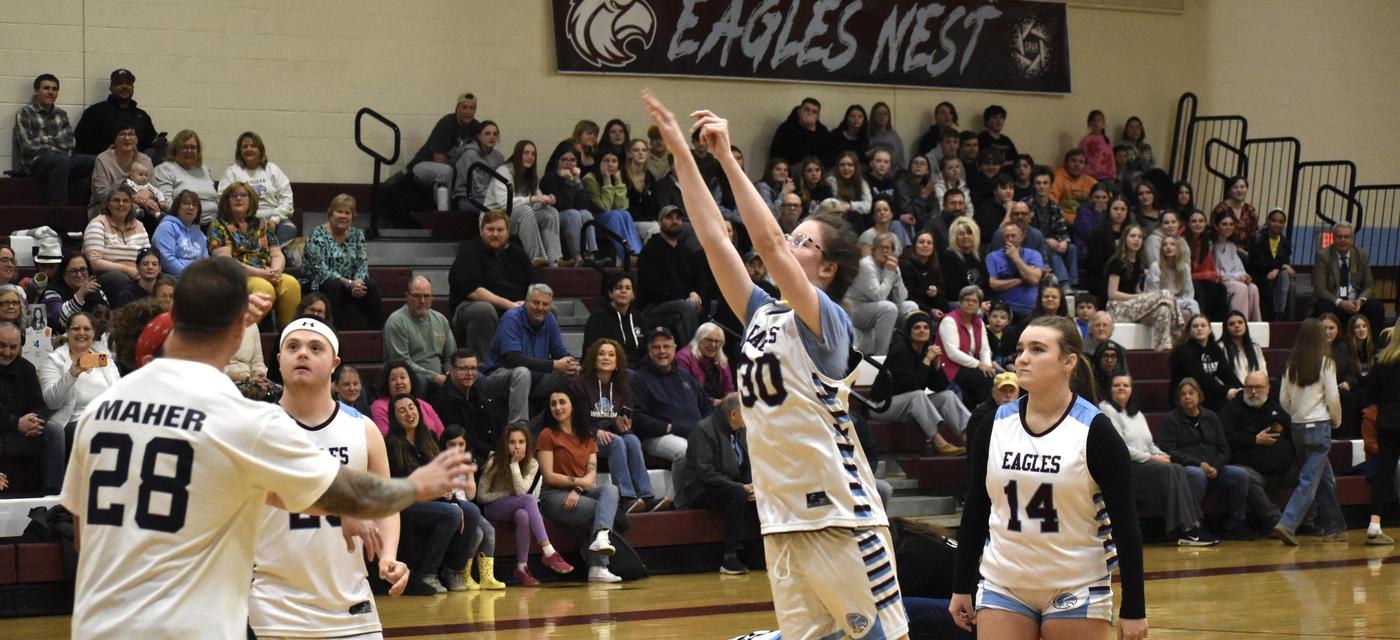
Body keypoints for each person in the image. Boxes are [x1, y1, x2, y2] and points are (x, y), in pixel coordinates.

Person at [58, 257, 471, 638]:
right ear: (242, 333)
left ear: (174, 316)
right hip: (188, 626)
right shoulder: (241, 420)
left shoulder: (100, 410)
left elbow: (83, 537)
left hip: (99, 626)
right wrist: (416, 485)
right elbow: (343, 493)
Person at [647, 91, 908, 638]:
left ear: (828, 268)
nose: (791, 242)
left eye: (804, 242)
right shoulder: (763, 311)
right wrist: (681, 155)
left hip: (840, 515)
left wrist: (727, 158)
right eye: (795, 236)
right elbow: (717, 239)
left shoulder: (828, 320)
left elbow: (768, 242)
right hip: (781, 517)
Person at [950, 315, 1146, 639]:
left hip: (1077, 584)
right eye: (1021, 348)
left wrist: (1134, 606)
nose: (1023, 358)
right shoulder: (994, 424)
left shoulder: (1096, 432)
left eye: (1038, 349)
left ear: (1068, 362)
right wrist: (962, 585)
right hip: (1003, 583)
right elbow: (976, 508)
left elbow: (1126, 525)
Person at [248, 318, 409, 637]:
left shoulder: (363, 428)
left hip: (351, 606)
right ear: (278, 361)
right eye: (292, 347)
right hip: (274, 608)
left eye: (314, 347)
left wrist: (389, 556)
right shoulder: (255, 429)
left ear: (334, 363)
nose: (302, 354)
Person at [1099, 374, 1219, 546]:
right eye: (1116, 385)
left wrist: (1162, 455)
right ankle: (1185, 530)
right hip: (1124, 467)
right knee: (1169, 471)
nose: (1121, 388)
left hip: (1144, 463)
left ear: (1132, 390)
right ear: (1109, 389)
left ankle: (1192, 526)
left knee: (1176, 467)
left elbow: (1149, 444)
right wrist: (1151, 457)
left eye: (1126, 385)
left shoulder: (1136, 412)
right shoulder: (1106, 409)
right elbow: (1118, 447)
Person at [383, 393, 485, 593]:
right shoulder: (391, 445)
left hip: (433, 501)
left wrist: (452, 498)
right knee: (452, 513)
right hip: (405, 505)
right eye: (401, 410)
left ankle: (452, 571)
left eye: (411, 407)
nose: (409, 413)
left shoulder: (428, 438)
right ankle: (426, 573)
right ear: (394, 417)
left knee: (471, 511)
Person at [536, 387, 623, 583]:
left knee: (610, 489)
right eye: (553, 403)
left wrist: (577, 489)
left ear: (573, 405)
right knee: (602, 508)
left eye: (562, 402)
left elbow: (591, 470)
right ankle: (598, 566)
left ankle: (601, 537)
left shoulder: (586, 434)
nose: (558, 407)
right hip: (553, 496)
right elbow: (548, 476)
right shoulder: (547, 435)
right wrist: (579, 483)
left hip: (579, 492)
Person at [1273, 319, 1348, 545]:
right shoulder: (1326, 363)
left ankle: (1335, 527)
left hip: (1297, 428)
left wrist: (1298, 414)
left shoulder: (1290, 365)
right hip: (1320, 426)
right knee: (1309, 479)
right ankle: (1287, 523)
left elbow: (1283, 400)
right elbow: (1333, 398)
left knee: (1325, 479)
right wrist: (1336, 421)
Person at [573, 337, 667, 513]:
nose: (606, 358)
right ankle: (626, 498)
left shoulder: (622, 386)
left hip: (611, 437)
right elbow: (575, 420)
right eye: (601, 354)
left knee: (631, 439)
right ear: (594, 359)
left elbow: (624, 418)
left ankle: (647, 497)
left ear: (617, 363)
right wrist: (595, 432)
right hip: (586, 437)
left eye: (611, 355)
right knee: (617, 442)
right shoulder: (580, 384)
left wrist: (624, 427)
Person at [1156, 377, 1256, 540]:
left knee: (1240, 475)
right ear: (1178, 398)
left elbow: (1224, 448)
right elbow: (1168, 450)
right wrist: (1199, 464)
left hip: (1214, 467)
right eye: (1183, 394)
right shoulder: (1171, 420)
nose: (1187, 397)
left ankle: (1235, 523)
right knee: (1197, 474)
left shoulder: (1211, 417)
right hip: (1186, 468)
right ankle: (1192, 525)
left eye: (1191, 393)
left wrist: (1216, 466)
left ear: (1199, 396)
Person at [476, 423, 576, 585]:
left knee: (523, 515)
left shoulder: (532, 463)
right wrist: (507, 492)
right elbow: (481, 496)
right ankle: (548, 550)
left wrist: (515, 465)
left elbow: (521, 491)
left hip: (516, 507)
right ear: (505, 444)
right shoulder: (494, 460)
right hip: (494, 508)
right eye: (512, 442)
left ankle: (521, 568)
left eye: (521, 442)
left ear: (527, 444)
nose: (517, 446)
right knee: (528, 500)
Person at [676, 392, 754, 575]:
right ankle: (730, 556)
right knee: (737, 494)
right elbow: (705, 472)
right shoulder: (703, 429)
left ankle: (769, 549)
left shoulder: (741, 430)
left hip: (732, 485)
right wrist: (739, 487)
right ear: (734, 414)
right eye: (747, 412)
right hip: (702, 489)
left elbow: (750, 463)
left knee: (762, 492)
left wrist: (752, 485)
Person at [874, 310, 971, 455]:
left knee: (948, 395)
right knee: (918, 395)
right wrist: (927, 360)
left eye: (925, 327)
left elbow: (938, 386)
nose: (922, 331)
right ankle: (940, 443)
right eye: (917, 327)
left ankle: (970, 439)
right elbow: (913, 385)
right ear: (909, 331)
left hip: (911, 405)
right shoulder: (899, 351)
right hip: (882, 406)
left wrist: (937, 364)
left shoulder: (926, 350)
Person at [481, 283, 575, 424]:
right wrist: (555, 364)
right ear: (525, 303)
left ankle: (552, 425)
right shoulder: (512, 318)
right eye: (536, 303)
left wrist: (572, 364)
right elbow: (513, 359)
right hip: (499, 377)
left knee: (571, 373)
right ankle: (519, 429)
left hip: (535, 381)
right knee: (522, 373)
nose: (540, 308)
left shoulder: (549, 319)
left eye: (545, 304)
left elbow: (560, 352)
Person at [208, 182, 300, 325]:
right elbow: (226, 262)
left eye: (243, 195)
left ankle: (287, 334)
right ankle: (244, 333)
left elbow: (276, 254)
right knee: (264, 288)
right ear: (226, 201)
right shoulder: (218, 225)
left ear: (251, 200)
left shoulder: (262, 224)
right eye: (233, 196)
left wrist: (276, 272)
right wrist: (262, 274)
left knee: (291, 283)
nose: (238, 198)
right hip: (237, 276)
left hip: (267, 273)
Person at [448, 210, 535, 359]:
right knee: (484, 309)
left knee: (546, 308)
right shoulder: (469, 251)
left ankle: (537, 363)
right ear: (482, 231)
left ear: (508, 232)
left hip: (515, 306)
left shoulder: (517, 253)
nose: (495, 234)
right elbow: (474, 291)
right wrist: (510, 305)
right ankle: (482, 365)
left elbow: (534, 284)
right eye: (490, 229)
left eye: (500, 230)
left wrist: (528, 303)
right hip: (471, 307)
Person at [1218, 371, 1291, 533]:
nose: (1253, 392)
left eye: (1258, 387)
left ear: (1268, 388)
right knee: (1244, 476)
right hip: (1250, 467)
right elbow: (1225, 439)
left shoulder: (1277, 408)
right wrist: (1254, 440)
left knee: (1312, 469)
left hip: (1281, 468)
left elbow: (1290, 434)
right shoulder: (1231, 409)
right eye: (1249, 387)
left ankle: (1308, 521)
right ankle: (1277, 522)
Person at [0, 322, 65, 494]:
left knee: (54, 431)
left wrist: (34, 421)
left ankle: (52, 498)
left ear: (20, 346)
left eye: (13, 347)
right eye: (2, 346)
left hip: (18, 436)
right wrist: (17, 422)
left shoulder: (26, 368)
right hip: (7, 431)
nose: (7, 352)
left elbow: (40, 406)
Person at [304, 194, 384, 329]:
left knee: (370, 286)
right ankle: (332, 331)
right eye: (339, 211)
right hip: (318, 282)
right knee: (333, 285)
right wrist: (348, 283)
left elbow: (362, 263)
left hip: (349, 285)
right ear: (331, 213)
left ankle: (376, 332)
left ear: (353, 217)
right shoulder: (317, 234)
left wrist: (358, 282)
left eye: (348, 213)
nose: (343, 216)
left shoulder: (357, 235)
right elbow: (321, 269)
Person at [15, 73, 94, 205]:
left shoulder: (61, 114)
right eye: (46, 88)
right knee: (60, 160)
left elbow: (70, 142)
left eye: (54, 89)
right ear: (36, 92)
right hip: (35, 164)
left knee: (95, 160)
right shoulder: (25, 113)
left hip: (63, 160)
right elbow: (27, 147)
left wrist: (43, 139)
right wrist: (56, 143)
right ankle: (56, 212)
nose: (51, 92)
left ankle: (95, 207)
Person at [487, 140, 564, 266]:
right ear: (517, 154)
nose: (530, 157)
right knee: (525, 211)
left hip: (520, 217)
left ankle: (554, 260)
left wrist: (547, 200)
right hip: (497, 217)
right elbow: (504, 204)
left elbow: (537, 200)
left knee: (551, 212)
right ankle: (536, 258)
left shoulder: (531, 175)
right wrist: (532, 199)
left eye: (533, 154)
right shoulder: (503, 171)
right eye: (526, 153)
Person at [1104, 224, 1180, 351]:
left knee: (1163, 310)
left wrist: (1141, 295)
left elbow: (1136, 289)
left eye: (1139, 237)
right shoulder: (1117, 262)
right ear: (1125, 239)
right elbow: (1112, 294)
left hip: (1133, 306)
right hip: (1117, 308)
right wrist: (1139, 297)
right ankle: (1178, 329)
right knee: (1165, 294)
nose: (1136, 240)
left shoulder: (1139, 261)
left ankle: (1163, 350)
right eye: (1132, 236)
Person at [636, 205, 703, 344]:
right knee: (686, 308)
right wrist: (686, 297)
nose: (675, 221)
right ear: (660, 222)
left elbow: (699, 281)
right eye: (669, 218)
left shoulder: (687, 252)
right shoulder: (650, 250)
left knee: (711, 307)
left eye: (678, 218)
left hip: (683, 303)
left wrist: (696, 294)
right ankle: (691, 357)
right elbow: (652, 289)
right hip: (653, 308)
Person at [218, 131, 296, 245]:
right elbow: (223, 198)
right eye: (245, 147)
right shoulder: (232, 172)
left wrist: (275, 220)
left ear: (260, 150)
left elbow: (287, 199)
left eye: (253, 146)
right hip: (243, 219)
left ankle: (272, 257)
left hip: (273, 218)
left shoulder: (272, 169)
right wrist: (240, 220)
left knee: (289, 229)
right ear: (240, 151)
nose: (249, 149)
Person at [429, 349, 503, 469]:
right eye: (463, 369)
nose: (469, 373)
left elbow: (497, 423)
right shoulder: (441, 400)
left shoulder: (481, 390)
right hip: (468, 459)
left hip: (493, 454)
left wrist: (501, 450)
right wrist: (489, 452)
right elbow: (459, 436)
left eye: (473, 368)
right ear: (451, 370)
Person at [846, 232, 916, 356]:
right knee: (888, 308)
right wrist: (890, 274)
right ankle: (881, 356)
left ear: (893, 251)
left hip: (875, 307)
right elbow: (879, 296)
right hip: (856, 309)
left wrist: (896, 274)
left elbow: (902, 297)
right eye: (881, 248)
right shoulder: (866, 265)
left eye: (888, 248)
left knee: (911, 307)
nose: (884, 251)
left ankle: (905, 351)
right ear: (873, 250)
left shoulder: (891, 265)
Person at [408, 93, 480, 211]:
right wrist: (461, 169)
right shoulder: (447, 123)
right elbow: (439, 158)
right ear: (457, 108)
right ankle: (444, 214)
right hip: (422, 165)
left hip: (451, 168)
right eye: (464, 107)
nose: (468, 111)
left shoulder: (476, 127)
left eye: (471, 108)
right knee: (446, 171)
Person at [1363, 319, 1400, 545]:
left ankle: (1374, 524)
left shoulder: (1383, 361)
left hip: (1388, 421)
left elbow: (1369, 396)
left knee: (1384, 472)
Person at [1311, 221, 1385, 332]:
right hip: (1334, 302)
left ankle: (1373, 346)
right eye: (1339, 236)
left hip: (1356, 302)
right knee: (1323, 307)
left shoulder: (1361, 255)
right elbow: (1320, 289)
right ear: (1333, 238)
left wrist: (1360, 300)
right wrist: (1340, 302)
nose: (1343, 240)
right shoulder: (1323, 256)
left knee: (1375, 307)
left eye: (1346, 237)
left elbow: (1369, 285)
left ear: (1352, 239)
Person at [383, 276, 455, 388]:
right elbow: (401, 362)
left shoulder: (441, 319)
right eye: (417, 296)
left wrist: (449, 375)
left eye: (426, 296)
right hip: (410, 380)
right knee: (420, 380)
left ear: (432, 297)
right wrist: (435, 377)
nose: (422, 301)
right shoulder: (396, 321)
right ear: (407, 297)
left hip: (440, 378)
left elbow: (451, 356)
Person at [84, 185, 152, 304]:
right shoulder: (98, 224)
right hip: (107, 276)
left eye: (125, 201)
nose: (121, 204)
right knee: (118, 279)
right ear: (108, 204)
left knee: (167, 280)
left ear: (131, 204)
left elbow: (148, 256)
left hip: (137, 274)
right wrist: (126, 269)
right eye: (116, 200)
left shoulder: (139, 225)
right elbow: (95, 263)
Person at [73, 68, 160, 157]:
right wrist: (108, 148)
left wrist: (158, 141)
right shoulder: (96, 111)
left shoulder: (141, 116)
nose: (124, 86)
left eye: (128, 84)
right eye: (119, 83)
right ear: (111, 88)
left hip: (136, 163)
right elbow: (81, 139)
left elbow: (150, 140)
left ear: (133, 87)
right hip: (104, 160)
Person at [938, 286, 996, 411]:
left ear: (979, 305)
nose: (970, 303)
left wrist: (987, 366)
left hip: (970, 366)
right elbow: (952, 353)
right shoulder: (949, 320)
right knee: (983, 378)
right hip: (949, 367)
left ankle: (984, 413)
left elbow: (985, 349)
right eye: (966, 299)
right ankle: (983, 413)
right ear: (960, 302)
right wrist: (979, 364)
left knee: (993, 375)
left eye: (974, 301)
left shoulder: (979, 322)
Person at [1170, 314, 1243, 412]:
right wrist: (1226, 391)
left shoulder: (1215, 349)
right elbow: (1201, 377)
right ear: (1190, 331)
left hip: (1207, 392)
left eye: (1203, 326)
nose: (1199, 329)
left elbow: (1226, 373)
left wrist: (1242, 389)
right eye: (1195, 326)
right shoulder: (1184, 351)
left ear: (1209, 329)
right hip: (1187, 394)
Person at [585, 150, 644, 264]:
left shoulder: (619, 178)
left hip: (613, 220)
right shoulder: (590, 179)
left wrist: (618, 182)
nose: (611, 164)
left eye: (614, 161)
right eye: (606, 161)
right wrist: (607, 181)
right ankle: (626, 256)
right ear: (599, 163)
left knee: (625, 214)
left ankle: (637, 253)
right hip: (594, 222)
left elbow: (622, 207)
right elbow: (604, 207)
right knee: (614, 215)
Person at [541, 146, 599, 262]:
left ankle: (590, 256)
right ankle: (577, 257)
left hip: (571, 215)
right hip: (552, 216)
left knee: (586, 214)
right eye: (564, 160)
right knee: (572, 214)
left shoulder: (576, 179)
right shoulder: (549, 178)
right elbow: (563, 205)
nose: (568, 163)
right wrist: (569, 182)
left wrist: (577, 182)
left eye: (572, 160)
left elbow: (584, 205)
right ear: (557, 162)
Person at [88, 123, 156, 219]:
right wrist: (135, 198)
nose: (127, 138)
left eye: (131, 134)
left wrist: (148, 194)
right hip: (106, 206)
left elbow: (155, 188)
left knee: (156, 213)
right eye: (122, 134)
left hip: (143, 205)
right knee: (136, 212)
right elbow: (101, 193)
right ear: (115, 139)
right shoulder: (103, 159)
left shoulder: (145, 160)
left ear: (137, 139)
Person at [153, 129, 219, 224]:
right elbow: (166, 203)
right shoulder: (165, 169)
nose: (189, 151)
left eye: (193, 148)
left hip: (213, 224)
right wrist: (191, 218)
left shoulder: (204, 169)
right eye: (184, 147)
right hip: (183, 224)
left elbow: (215, 199)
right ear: (176, 150)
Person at [370, 361, 447, 439]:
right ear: (386, 384)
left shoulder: (424, 405)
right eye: (393, 379)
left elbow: (443, 435)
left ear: (411, 380)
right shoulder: (379, 406)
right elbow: (385, 439)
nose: (399, 382)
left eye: (403, 377)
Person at [583, 272, 645, 365]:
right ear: (610, 293)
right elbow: (594, 351)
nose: (623, 291)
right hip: (609, 369)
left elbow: (646, 350)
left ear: (633, 295)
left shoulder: (638, 318)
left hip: (637, 370)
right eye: (619, 287)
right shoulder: (598, 317)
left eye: (628, 288)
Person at [986, 221, 1045, 318]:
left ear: (1022, 237)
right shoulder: (993, 257)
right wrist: (1021, 279)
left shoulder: (1033, 255)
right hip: (1004, 311)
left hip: (1031, 311)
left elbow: (1034, 280)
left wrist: (1016, 258)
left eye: (1013, 236)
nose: (1010, 239)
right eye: (1006, 236)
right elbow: (992, 284)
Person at [1248, 208, 1296, 321]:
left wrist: (1278, 269)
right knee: (1283, 275)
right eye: (1274, 220)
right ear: (1268, 221)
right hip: (1260, 275)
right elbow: (1259, 261)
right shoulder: (1257, 239)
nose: (1277, 224)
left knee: (1285, 277)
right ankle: (1278, 315)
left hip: (1276, 277)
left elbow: (1285, 261)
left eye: (1280, 222)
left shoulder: (1285, 243)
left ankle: (1279, 314)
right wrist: (1281, 266)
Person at [1212, 211, 1261, 320]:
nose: (1228, 227)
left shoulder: (1232, 246)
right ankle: (1238, 322)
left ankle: (1255, 325)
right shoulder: (1211, 245)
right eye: (1224, 224)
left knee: (1253, 288)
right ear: (1216, 226)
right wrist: (1237, 277)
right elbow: (1215, 272)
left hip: (1234, 280)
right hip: (1221, 281)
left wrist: (1245, 276)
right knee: (1241, 288)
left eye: (1231, 224)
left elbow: (1239, 268)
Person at [1081, 195, 1131, 302]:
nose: (1119, 212)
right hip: (1102, 280)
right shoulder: (1099, 233)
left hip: (1126, 279)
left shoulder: (1132, 233)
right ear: (1109, 210)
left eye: (1123, 209)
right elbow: (1094, 264)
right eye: (1115, 209)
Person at [43, 254, 110, 334]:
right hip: (61, 340)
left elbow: (107, 319)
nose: (79, 275)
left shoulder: (97, 292)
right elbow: (60, 321)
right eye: (73, 271)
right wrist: (80, 294)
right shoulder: (51, 292)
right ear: (64, 274)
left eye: (83, 269)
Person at [451, 121, 504, 216]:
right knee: (496, 210)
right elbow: (475, 188)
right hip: (467, 197)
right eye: (487, 134)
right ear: (479, 136)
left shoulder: (499, 157)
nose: (492, 137)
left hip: (489, 198)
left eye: (495, 134)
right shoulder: (469, 155)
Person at [676, 322, 734, 405]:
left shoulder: (722, 360)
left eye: (717, 341)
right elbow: (686, 393)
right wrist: (715, 402)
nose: (713, 345)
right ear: (698, 340)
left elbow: (729, 389)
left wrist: (731, 402)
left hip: (717, 407)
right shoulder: (683, 358)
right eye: (708, 340)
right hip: (692, 407)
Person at [152, 190, 208, 276]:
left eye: (195, 205)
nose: (191, 207)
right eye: (186, 203)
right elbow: (167, 260)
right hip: (173, 278)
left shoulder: (199, 234)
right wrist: (189, 277)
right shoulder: (166, 227)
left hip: (197, 279)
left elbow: (206, 261)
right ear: (177, 207)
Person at [940, 217, 990, 306]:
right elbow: (952, 292)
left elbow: (986, 286)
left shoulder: (978, 257)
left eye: (969, 233)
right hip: (959, 303)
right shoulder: (948, 256)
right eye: (961, 234)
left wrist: (989, 303)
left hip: (979, 302)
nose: (966, 236)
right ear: (954, 237)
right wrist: (977, 304)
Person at [226, 321, 279, 402]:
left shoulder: (252, 326)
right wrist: (247, 379)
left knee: (278, 392)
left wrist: (259, 376)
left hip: (250, 381)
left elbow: (258, 362)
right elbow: (214, 367)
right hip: (227, 381)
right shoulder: (217, 325)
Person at [900, 231, 948, 316]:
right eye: (921, 242)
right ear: (914, 246)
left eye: (929, 243)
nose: (925, 245)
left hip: (930, 305)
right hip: (913, 307)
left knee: (944, 303)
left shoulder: (934, 264)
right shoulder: (905, 265)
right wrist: (930, 311)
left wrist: (936, 290)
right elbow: (909, 297)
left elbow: (942, 287)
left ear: (933, 247)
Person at [768, 98, 827, 165]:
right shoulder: (787, 128)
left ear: (818, 116)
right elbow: (795, 156)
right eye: (806, 110)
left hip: (815, 168)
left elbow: (825, 154)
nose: (810, 114)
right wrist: (810, 130)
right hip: (790, 167)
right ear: (799, 111)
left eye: (814, 112)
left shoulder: (822, 130)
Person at [827, 151, 874, 231]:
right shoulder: (831, 181)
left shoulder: (862, 183)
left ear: (856, 167)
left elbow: (868, 206)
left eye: (850, 165)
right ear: (838, 167)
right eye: (842, 165)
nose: (846, 168)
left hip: (857, 218)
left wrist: (850, 206)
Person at [1220, 311, 1267, 384]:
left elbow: (1262, 372)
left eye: (1240, 322)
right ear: (1226, 328)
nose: (1237, 326)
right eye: (1231, 324)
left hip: (1253, 390)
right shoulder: (1220, 348)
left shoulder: (1255, 348)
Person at [1048, 149, 1098, 218]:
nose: (1077, 164)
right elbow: (1051, 202)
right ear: (1066, 163)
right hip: (1063, 220)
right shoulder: (1057, 178)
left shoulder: (1090, 181)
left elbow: (1104, 196)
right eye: (1073, 161)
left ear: (1085, 166)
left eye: (1081, 162)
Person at [896, 155, 939, 233]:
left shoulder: (928, 186)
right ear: (910, 168)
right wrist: (923, 197)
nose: (918, 165)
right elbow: (908, 212)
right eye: (915, 163)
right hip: (908, 224)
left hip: (925, 224)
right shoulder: (902, 184)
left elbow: (935, 209)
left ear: (927, 171)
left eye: (923, 163)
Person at [1211, 177, 1258, 244]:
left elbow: (1255, 233)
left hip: (1247, 252)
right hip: (1223, 249)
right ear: (1229, 191)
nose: (1239, 190)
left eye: (1242, 187)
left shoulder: (1250, 210)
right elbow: (1214, 232)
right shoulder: (1220, 209)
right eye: (1235, 187)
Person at [822, 105, 869, 169]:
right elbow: (827, 157)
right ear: (847, 119)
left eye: (860, 117)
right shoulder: (836, 135)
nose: (856, 119)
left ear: (864, 120)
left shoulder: (864, 139)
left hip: (855, 173)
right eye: (852, 116)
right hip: (835, 170)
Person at [1078, 110, 1117, 182]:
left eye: (1099, 120)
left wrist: (1113, 175)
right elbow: (1081, 159)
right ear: (1089, 123)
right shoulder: (1085, 141)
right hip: (1090, 176)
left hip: (1106, 177)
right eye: (1093, 120)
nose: (1096, 123)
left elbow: (1111, 159)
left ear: (1103, 123)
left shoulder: (1106, 140)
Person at [978, 105, 1019, 172]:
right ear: (986, 121)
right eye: (994, 117)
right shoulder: (982, 138)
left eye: (1001, 117)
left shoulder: (1006, 140)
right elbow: (984, 161)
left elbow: (1017, 159)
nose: (999, 120)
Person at [868, 102, 906, 171]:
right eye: (879, 114)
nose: (882, 116)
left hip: (892, 176)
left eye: (885, 114)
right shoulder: (867, 136)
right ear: (873, 116)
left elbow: (901, 163)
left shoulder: (894, 137)